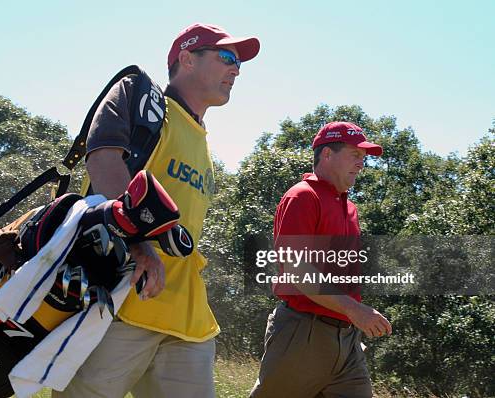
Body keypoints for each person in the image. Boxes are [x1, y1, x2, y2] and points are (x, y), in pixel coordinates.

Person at [53, 23, 260, 398]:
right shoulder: (141, 100)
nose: (237, 69)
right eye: (227, 57)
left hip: (187, 320)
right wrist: (138, 245)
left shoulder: (203, 142)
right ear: (186, 58)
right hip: (118, 305)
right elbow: (102, 161)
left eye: (240, 63)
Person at [250, 121, 393, 398]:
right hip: (303, 332)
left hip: (347, 339)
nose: (361, 164)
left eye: (363, 158)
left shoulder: (349, 207)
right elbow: (297, 270)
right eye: (355, 155)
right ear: (327, 155)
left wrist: (351, 316)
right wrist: (355, 309)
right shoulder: (303, 197)